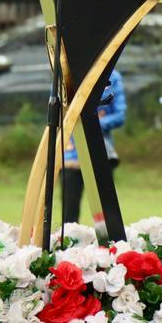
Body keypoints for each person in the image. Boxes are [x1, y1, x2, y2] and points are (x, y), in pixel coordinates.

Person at [60, 67, 126, 225]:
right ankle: (70, 247)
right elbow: (58, 112)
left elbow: (120, 115)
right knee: (69, 213)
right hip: (70, 156)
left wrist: (90, 121)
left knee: (106, 213)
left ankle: (108, 248)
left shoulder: (113, 77)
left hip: (100, 151)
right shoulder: (64, 75)